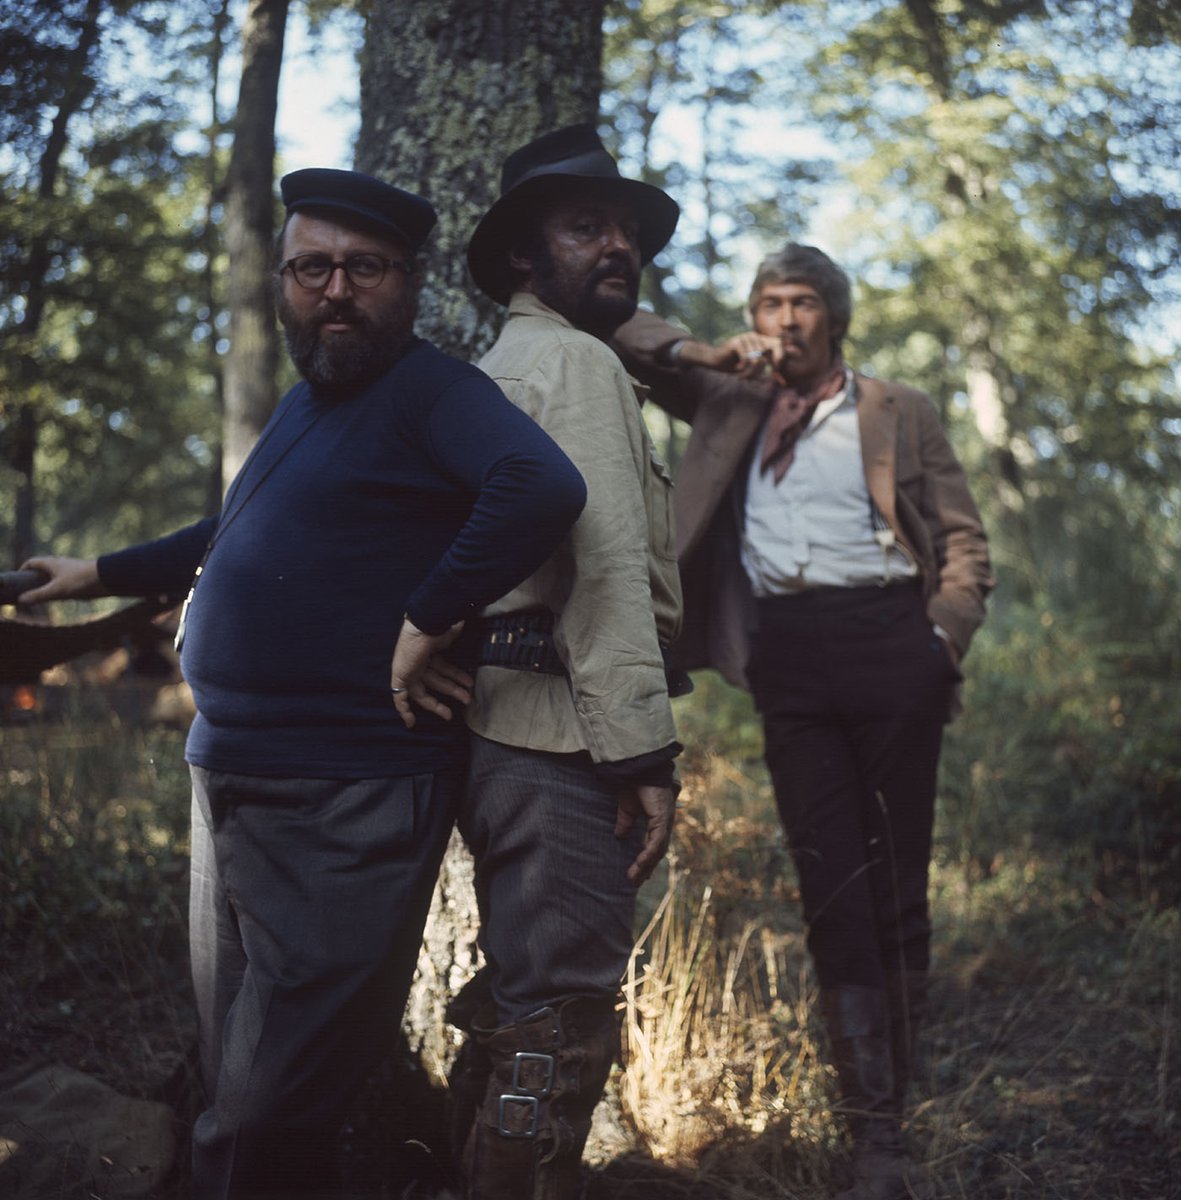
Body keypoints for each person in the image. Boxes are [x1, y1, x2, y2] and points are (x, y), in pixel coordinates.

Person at [18, 168, 588, 1200]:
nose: (333, 290)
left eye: (361, 269)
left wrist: (428, 616)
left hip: (345, 789)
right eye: (310, 267)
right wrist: (97, 573)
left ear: (407, 281)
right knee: (237, 1064)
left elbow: (541, 486)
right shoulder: (308, 403)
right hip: (229, 773)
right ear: (283, 281)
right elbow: (231, 537)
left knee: (267, 1094)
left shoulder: (434, 393)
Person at [612, 244, 994, 1200]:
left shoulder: (894, 407)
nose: (787, 319)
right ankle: (869, 1131)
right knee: (830, 879)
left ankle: (894, 1116)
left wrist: (940, 641)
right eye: (771, 303)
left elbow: (960, 536)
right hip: (788, 658)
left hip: (892, 645)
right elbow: (618, 331)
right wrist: (705, 352)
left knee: (897, 870)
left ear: (835, 315)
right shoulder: (729, 401)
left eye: (804, 303)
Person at [445, 123, 685, 1199]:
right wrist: (642, 752)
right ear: (520, 260)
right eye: (585, 228)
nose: (616, 249)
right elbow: (602, 569)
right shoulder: (575, 365)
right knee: (560, 1019)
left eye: (625, 232)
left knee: (527, 1002)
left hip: (509, 726)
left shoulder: (507, 363)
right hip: (560, 735)